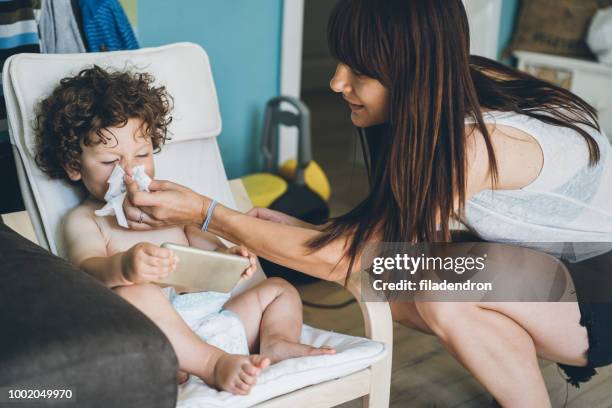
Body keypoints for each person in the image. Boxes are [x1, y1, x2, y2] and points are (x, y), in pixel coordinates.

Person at [122, 0, 612, 406]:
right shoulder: (448, 89)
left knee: (419, 275)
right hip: (550, 269)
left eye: (359, 70)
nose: (337, 82)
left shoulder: (475, 144)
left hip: (600, 292)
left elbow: (360, 259)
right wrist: (303, 231)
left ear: (410, 73)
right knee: (423, 285)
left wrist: (211, 215)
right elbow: (383, 237)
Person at [34, 66, 335, 396]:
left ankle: (277, 342)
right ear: (74, 166)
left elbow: (212, 254)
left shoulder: (170, 207)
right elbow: (87, 270)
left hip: (218, 321)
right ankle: (210, 365)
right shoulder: (84, 220)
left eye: (143, 155)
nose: (130, 171)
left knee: (279, 288)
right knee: (136, 291)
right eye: (109, 162)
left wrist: (232, 260)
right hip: (154, 333)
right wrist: (124, 267)